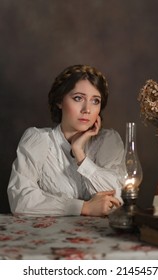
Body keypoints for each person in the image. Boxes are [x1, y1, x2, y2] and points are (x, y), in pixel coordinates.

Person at [7, 64, 125, 217]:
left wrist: (80, 155)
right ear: (59, 101)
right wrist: (84, 207)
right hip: (48, 237)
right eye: (78, 98)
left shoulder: (108, 141)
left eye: (95, 101)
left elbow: (117, 199)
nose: (87, 109)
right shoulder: (38, 139)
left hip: (102, 237)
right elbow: (20, 199)